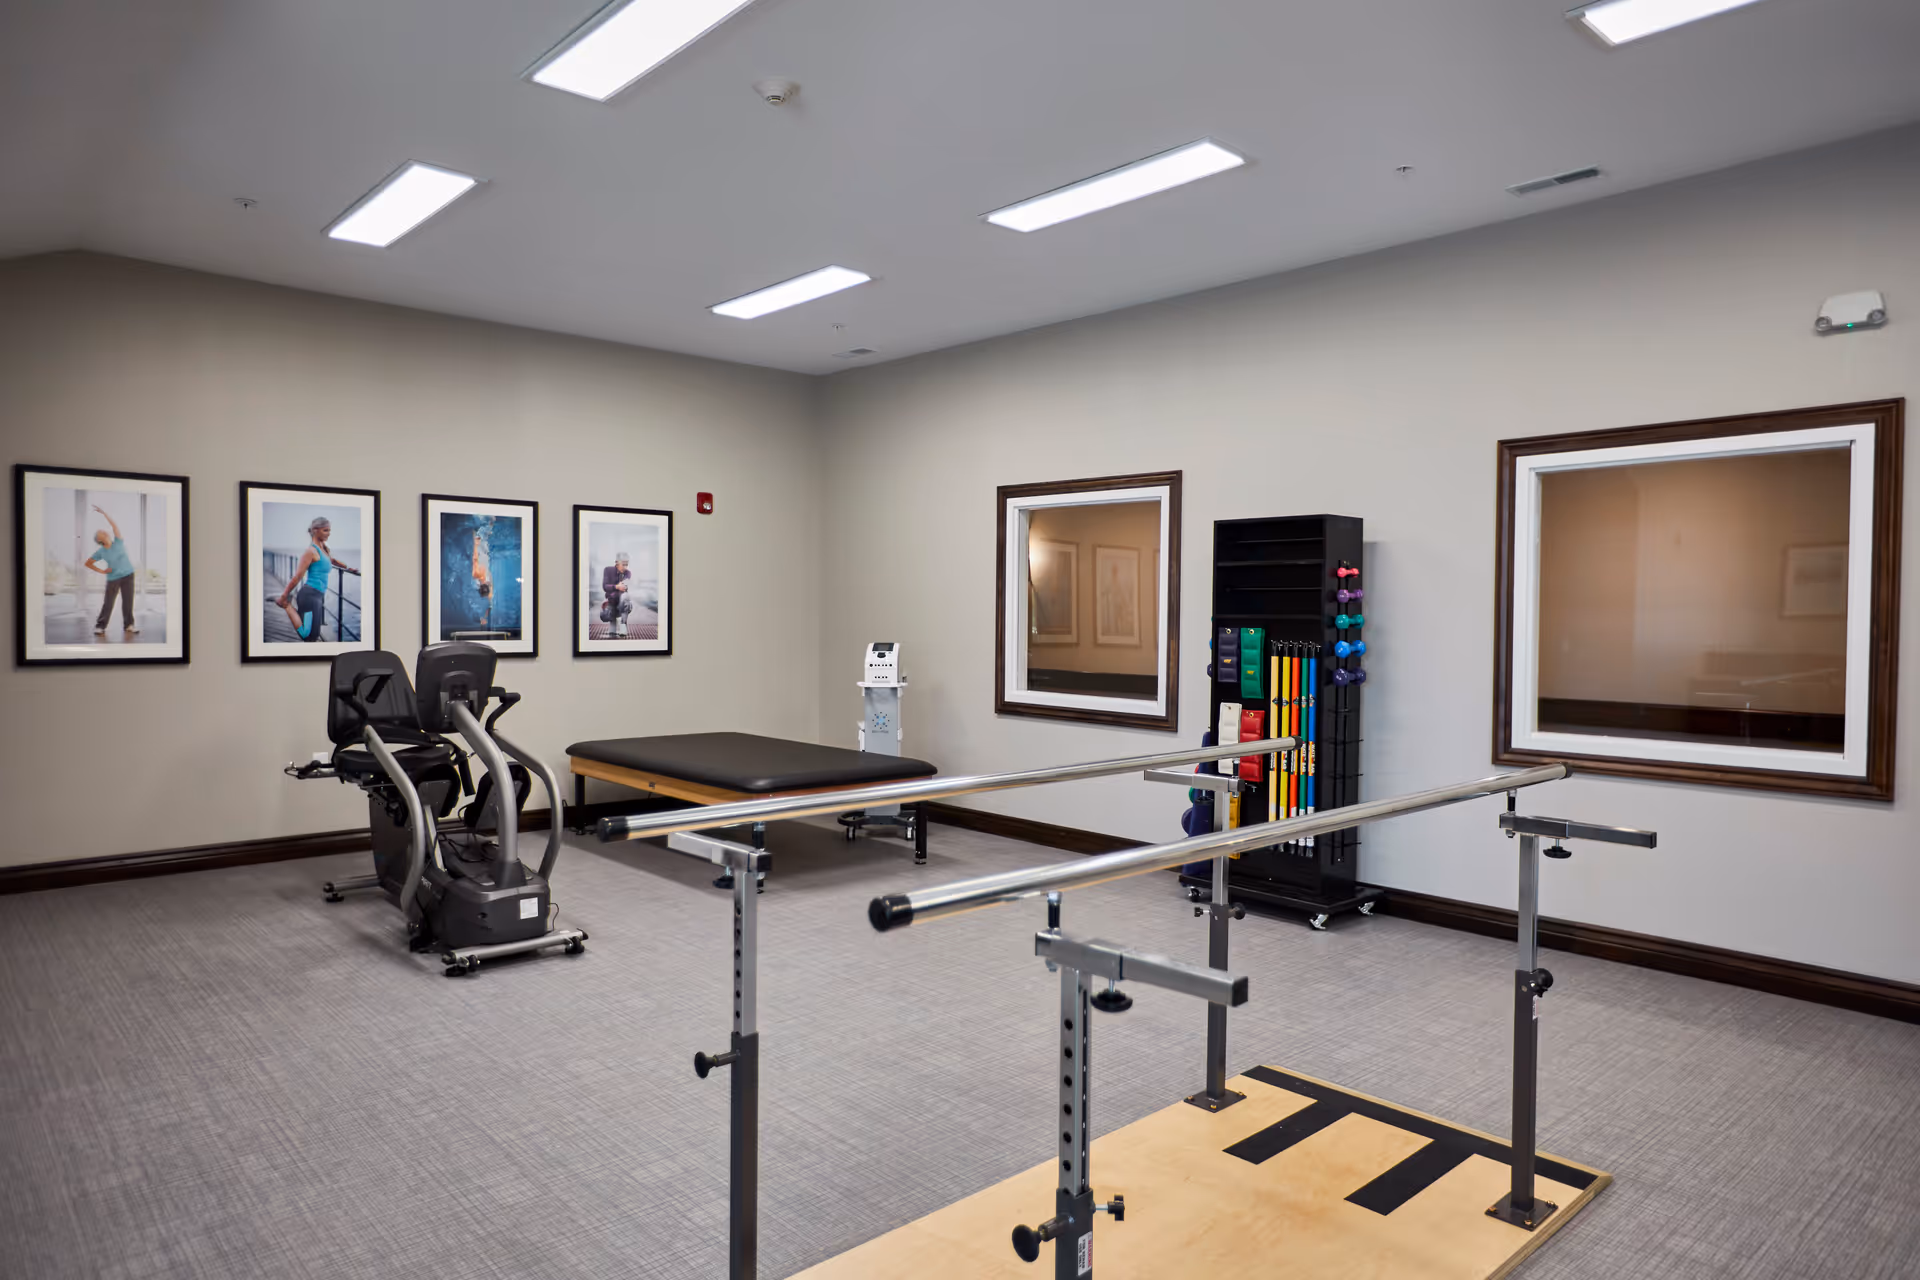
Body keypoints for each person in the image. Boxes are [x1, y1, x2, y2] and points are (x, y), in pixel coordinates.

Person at [277, 516, 359, 642]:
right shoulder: (310, 551)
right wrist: (284, 594)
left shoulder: (323, 549)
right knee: (307, 635)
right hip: (309, 595)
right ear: (315, 530)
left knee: (314, 635)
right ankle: (286, 605)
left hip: (318, 595)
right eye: (325, 530)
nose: (329, 534)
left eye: (329, 530)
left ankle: (289, 606)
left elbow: (332, 560)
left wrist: (348, 568)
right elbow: (298, 576)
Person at [84, 504, 140, 638]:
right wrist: (102, 571)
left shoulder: (118, 542)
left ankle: (129, 625)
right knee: (108, 603)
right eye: (101, 533)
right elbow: (88, 563)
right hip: (113, 578)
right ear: (99, 540)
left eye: (103, 531)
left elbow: (114, 526)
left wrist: (104, 514)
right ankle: (100, 626)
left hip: (128, 575)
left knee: (128, 601)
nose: (104, 532)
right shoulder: (101, 552)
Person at [601, 552, 633, 638]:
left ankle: (623, 625)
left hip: (621, 603)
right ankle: (612, 625)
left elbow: (624, 589)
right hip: (611, 602)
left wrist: (617, 589)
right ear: (616, 563)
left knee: (625, 597)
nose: (625, 567)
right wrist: (616, 587)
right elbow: (605, 586)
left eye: (627, 564)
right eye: (623, 564)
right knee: (612, 632)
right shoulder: (608, 570)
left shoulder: (627, 573)